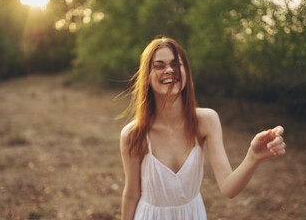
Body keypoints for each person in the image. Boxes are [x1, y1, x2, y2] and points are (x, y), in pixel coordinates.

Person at [120, 37, 286, 220]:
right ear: (147, 76)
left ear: (186, 72)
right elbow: (131, 194)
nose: (169, 70)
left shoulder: (207, 120)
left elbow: (228, 188)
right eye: (159, 65)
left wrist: (253, 156)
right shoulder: (133, 134)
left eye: (176, 64)